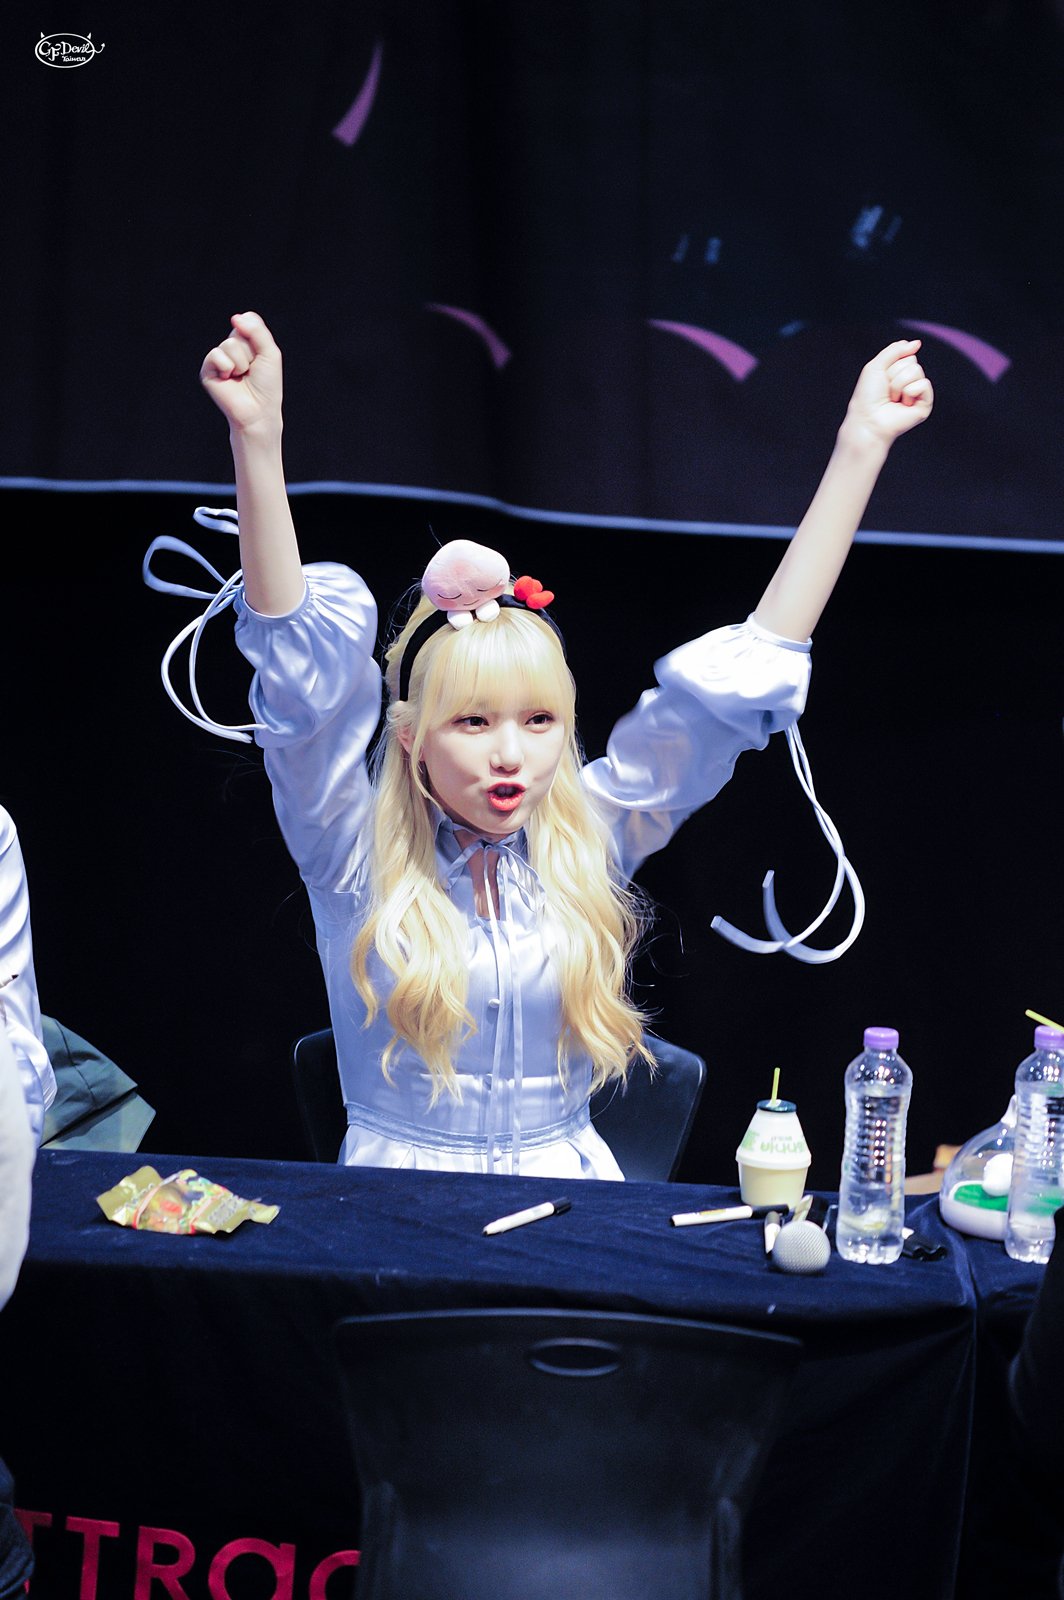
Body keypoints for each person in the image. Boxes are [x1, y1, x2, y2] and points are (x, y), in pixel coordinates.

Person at [153, 311, 932, 1178]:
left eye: (538, 721)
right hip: (395, 1201)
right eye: (473, 721)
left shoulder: (590, 832)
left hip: (569, 1198)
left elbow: (733, 686)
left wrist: (861, 446)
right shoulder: (349, 848)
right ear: (411, 739)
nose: (510, 755)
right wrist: (257, 440)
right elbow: (302, 685)